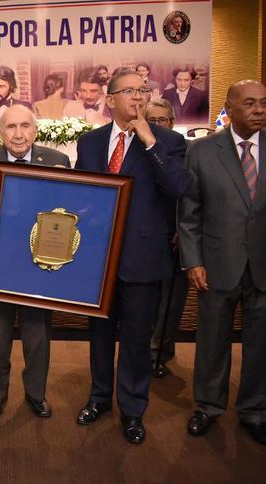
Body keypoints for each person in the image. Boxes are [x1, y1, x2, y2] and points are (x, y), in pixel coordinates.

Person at [75, 71, 189, 444]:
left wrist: (150, 142)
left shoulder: (168, 141)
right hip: (97, 259)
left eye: (143, 90)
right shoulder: (90, 142)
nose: (138, 97)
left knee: (138, 340)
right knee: (100, 335)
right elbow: (83, 195)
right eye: (130, 91)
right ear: (110, 100)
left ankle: (133, 409)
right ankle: (99, 398)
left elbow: (178, 188)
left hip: (143, 256)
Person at [178, 80, 266, 445]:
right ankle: (208, 406)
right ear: (229, 108)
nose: (259, 109)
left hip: (263, 265)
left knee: (260, 344)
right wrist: (193, 261)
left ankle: (255, 410)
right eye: (250, 103)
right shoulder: (201, 151)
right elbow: (188, 213)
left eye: (263, 103)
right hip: (216, 265)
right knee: (212, 340)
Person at [0, 105, 69, 418]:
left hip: (40, 260)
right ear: (0, 132)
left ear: (36, 131)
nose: (19, 133)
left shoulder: (58, 161)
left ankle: (36, 394)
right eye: (11, 127)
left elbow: (66, 207)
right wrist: (11, 190)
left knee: (37, 334)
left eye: (25, 126)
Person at [146, 99, 190, 378]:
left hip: (175, 237)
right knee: (147, 301)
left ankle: (160, 353)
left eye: (164, 120)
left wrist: (180, 228)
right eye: (153, 120)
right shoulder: (136, 150)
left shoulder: (185, 150)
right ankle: (144, 351)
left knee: (171, 303)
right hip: (145, 238)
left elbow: (189, 193)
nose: (159, 125)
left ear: (172, 124)